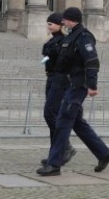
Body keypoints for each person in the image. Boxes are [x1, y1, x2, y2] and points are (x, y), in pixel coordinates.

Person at [36, 6, 109, 176]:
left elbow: (92, 61)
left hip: (77, 85)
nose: (62, 21)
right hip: (69, 83)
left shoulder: (84, 36)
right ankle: (103, 153)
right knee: (76, 121)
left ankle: (54, 164)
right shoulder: (71, 36)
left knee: (63, 120)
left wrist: (92, 86)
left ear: (71, 20)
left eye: (64, 19)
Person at [40, 12, 75, 166]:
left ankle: (64, 146)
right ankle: (57, 152)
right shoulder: (52, 41)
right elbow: (46, 58)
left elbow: (59, 59)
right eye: (48, 24)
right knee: (51, 114)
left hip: (58, 79)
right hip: (50, 77)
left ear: (59, 25)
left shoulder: (63, 41)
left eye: (50, 24)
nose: (48, 26)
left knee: (51, 114)